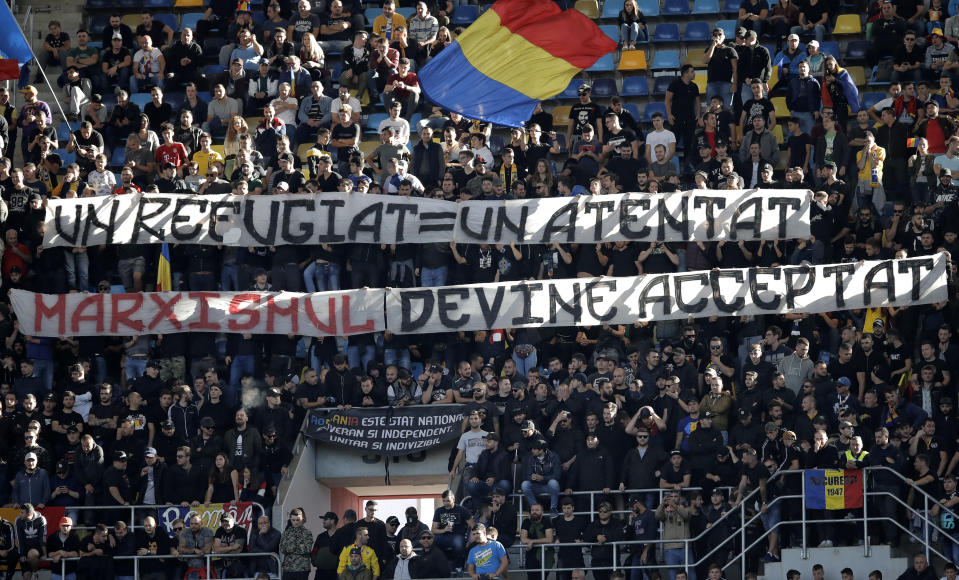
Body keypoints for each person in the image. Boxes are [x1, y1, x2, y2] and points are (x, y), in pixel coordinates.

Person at [280, 507, 314, 580]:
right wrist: (299, 545)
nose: (296, 522)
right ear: (290, 520)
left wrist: (290, 547)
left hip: (302, 568)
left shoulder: (307, 533)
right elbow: (282, 548)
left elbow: (307, 549)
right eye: (293, 520)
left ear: (302, 519)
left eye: (298, 520)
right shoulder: (286, 533)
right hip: (288, 568)